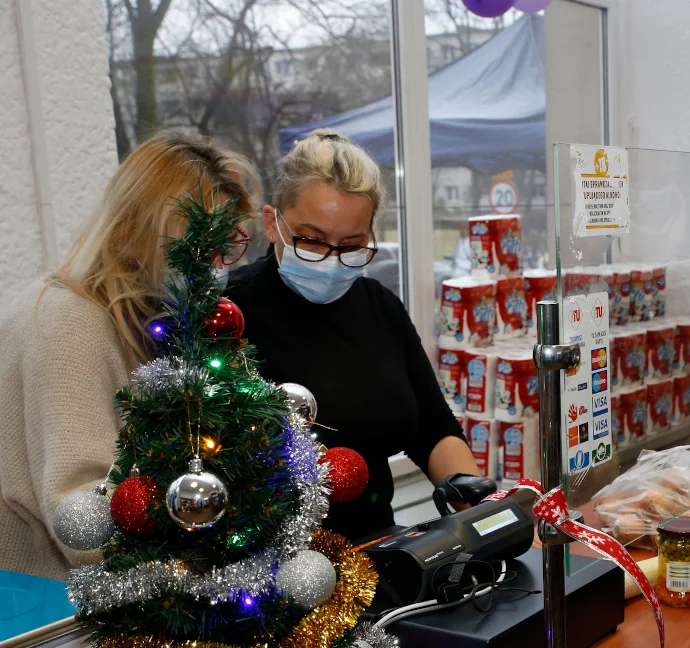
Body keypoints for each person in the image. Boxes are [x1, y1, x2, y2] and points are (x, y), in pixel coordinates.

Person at [0, 133, 259, 579]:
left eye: (227, 247)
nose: (217, 266)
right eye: (199, 247)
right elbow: (84, 518)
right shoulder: (69, 322)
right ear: (144, 234)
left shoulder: (148, 311)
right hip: (51, 610)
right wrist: (204, 571)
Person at [227, 129, 475, 538]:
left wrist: (485, 513)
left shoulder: (379, 305)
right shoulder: (230, 315)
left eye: (352, 245)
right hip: (266, 572)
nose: (330, 259)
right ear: (272, 224)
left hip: (376, 552)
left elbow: (435, 432)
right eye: (311, 240)